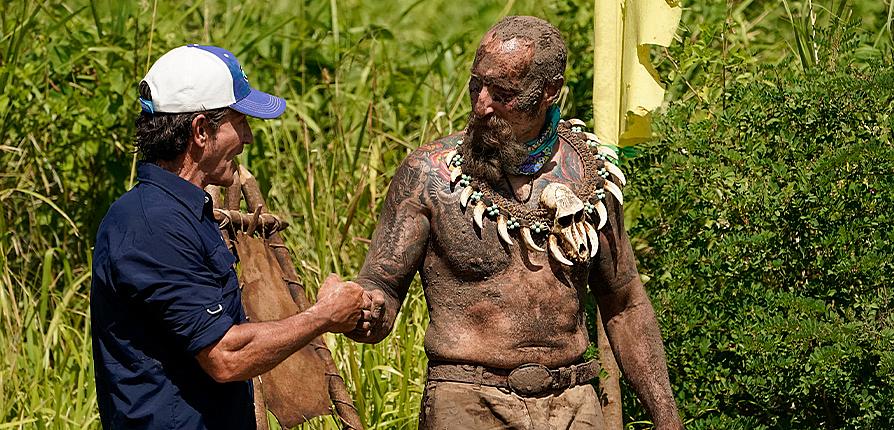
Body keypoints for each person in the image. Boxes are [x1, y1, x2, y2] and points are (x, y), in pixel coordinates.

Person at [343, 16, 684, 429]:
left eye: (503, 93)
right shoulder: (430, 174)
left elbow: (625, 304)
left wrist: (668, 420)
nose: (481, 104)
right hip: (468, 399)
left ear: (549, 91)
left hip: (575, 401)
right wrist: (365, 310)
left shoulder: (591, 176)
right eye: (476, 84)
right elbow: (382, 284)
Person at [91, 44, 367, 429]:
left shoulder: (183, 213)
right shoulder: (151, 225)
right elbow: (225, 357)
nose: (249, 138)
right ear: (201, 131)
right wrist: (324, 316)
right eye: (240, 122)